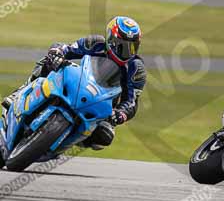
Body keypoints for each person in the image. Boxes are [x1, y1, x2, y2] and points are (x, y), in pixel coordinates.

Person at [1, 16, 146, 151]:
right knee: (48, 62)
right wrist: (57, 52)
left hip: (104, 108)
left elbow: (132, 102)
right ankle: (19, 93)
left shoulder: (136, 68)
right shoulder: (96, 43)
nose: (128, 52)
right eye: (123, 46)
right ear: (111, 39)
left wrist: (120, 114)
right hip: (80, 85)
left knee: (104, 137)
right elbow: (67, 48)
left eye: (133, 47)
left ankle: (66, 142)